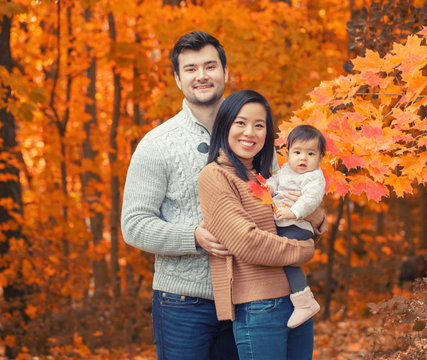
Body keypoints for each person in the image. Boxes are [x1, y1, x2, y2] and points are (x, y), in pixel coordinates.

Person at [121, 31, 239, 360]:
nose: (201, 76)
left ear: (225, 73)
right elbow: (133, 224)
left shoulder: (251, 134)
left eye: (210, 66)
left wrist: (311, 217)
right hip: (182, 303)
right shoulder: (157, 144)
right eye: (190, 69)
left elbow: (276, 201)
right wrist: (194, 236)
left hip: (248, 299)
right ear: (177, 78)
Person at [197, 89, 317, 360]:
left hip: (299, 301)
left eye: (259, 125)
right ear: (225, 125)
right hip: (259, 308)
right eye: (240, 122)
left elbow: (293, 226)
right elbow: (247, 242)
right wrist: (303, 251)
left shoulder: (266, 178)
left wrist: (316, 214)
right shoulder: (214, 176)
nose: (249, 132)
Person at [265, 124, 326, 329]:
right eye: (297, 152)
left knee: (289, 261)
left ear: (320, 158)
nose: (303, 158)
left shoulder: (314, 177)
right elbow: (276, 180)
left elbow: (311, 199)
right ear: (288, 153)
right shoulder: (286, 170)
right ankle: (300, 299)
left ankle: (304, 302)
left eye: (310, 153)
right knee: (285, 262)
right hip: (285, 222)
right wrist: (270, 186)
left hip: (297, 225)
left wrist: (294, 212)